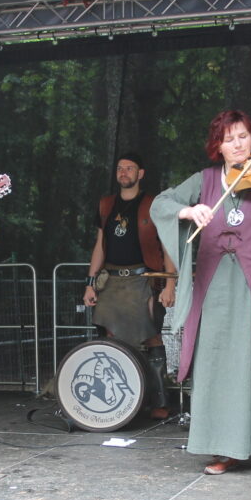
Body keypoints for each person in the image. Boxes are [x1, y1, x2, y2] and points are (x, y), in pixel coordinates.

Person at [151, 109, 251, 479]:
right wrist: (189, 210)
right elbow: (160, 205)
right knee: (218, 365)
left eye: (243, 137)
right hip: (213, 289)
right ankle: (228, 448)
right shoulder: (203, 180)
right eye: (229, 138)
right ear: (217, 146)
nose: (238, 145)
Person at [82, 153, 176, 419]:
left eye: (130, 168)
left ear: (140, 173)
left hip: (143, 279)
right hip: (111, 280)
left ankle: (159, 400)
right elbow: (100, 246)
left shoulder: (153, 205)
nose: (124, 172)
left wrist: (170, 283)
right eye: (120, 168)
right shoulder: (106, 205)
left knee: (150, 336)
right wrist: (90, 283)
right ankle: (123, 402)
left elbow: (167, 246)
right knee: (112, 339)